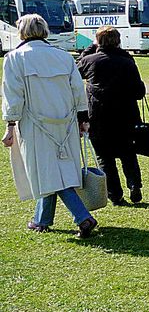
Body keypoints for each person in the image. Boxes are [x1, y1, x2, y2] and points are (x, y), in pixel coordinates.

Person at [2, 14, 97, 237]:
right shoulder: (63, 57)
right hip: (65, 122)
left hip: (36, 124)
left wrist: (10, 124)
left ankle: (83, 217)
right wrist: (83, 119)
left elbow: (13, 95)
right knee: (54, 170)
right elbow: (77, 91)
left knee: (47, 172)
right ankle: (41, 219)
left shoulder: (15, 58)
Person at [77, 26, 146, 205]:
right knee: (128, 153)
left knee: (105, 158)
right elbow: (139, 91)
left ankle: (115, 194)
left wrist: (91, 47)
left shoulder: (90, 60)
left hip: (98, 117)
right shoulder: (127, 61)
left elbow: (76, 69)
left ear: (98, 41)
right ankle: (134, 184)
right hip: (126, 115)